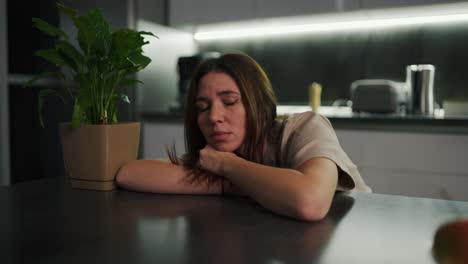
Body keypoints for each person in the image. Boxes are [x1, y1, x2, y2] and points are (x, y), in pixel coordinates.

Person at [116, 53, 371, 221]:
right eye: (202, 107)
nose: (214, 116)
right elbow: (129, 173)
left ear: (258, 105)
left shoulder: (304, 127)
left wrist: (228, 167)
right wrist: (228, 183)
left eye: (229, 102)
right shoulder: (218, 153)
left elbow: (310, 201)